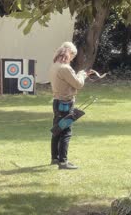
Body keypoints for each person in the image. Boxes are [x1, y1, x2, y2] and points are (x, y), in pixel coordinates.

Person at [49, 42, 93, 170]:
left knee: (57, 130)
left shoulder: (55, 66)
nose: (72, 59)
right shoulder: (65, 68)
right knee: (65, 132)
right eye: (72, 56)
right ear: (70, 53)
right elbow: (78, 84)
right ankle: (63, 162)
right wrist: (82, 74)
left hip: (57, 102)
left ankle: (54, 158)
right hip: (65, 103)